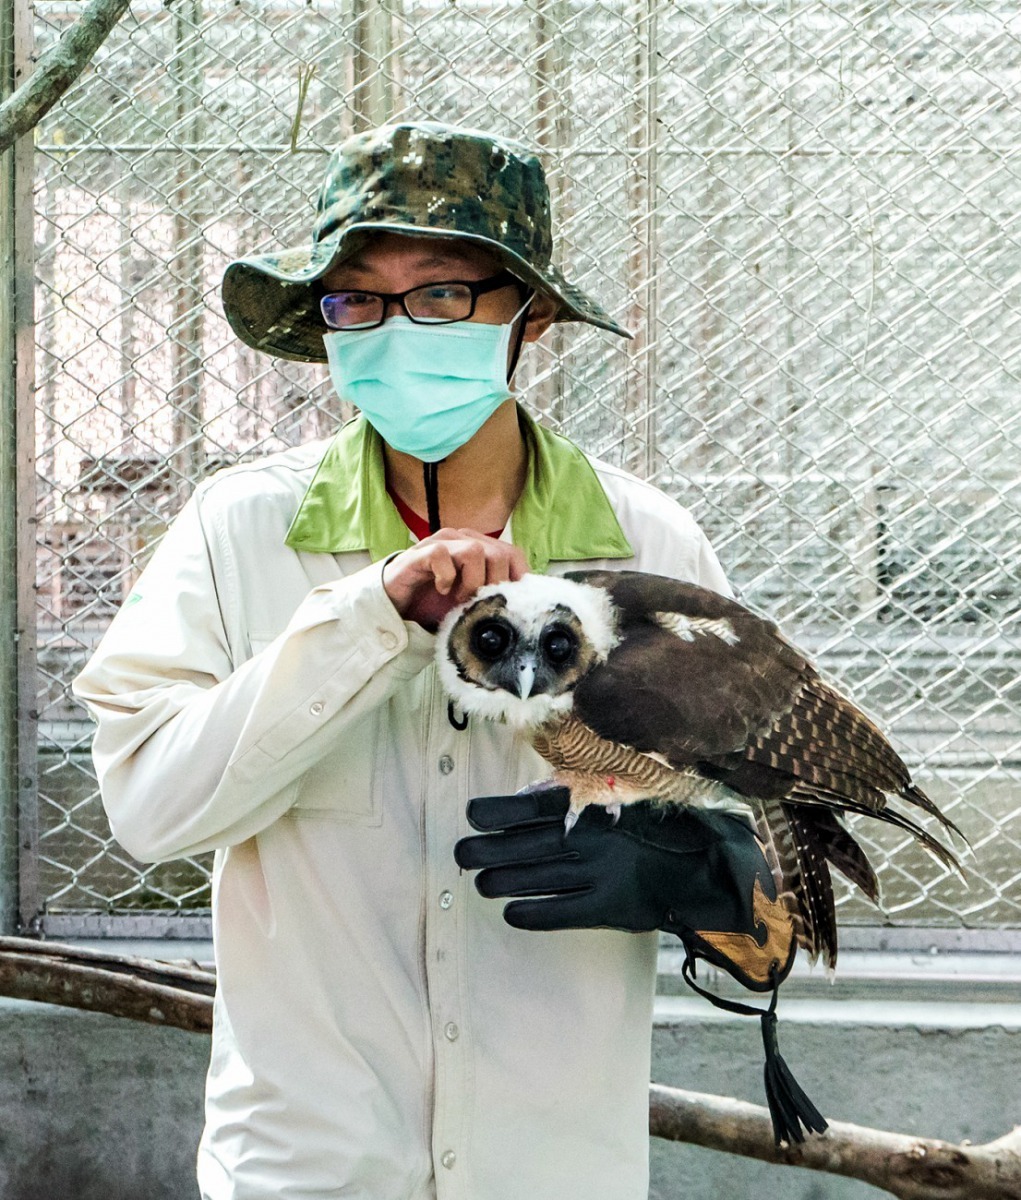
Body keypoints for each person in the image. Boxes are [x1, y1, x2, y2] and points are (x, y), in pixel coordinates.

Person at [74, 121, 798, 1200]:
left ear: (531, 314)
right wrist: (364, 623)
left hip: (554, 1169)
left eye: (444, 294)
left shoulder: (649, 551)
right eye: (356, 298)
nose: (394, 327)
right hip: (312, 1166)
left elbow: (772, 887)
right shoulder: (239, 531)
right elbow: (149, 810)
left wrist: (695, 868)